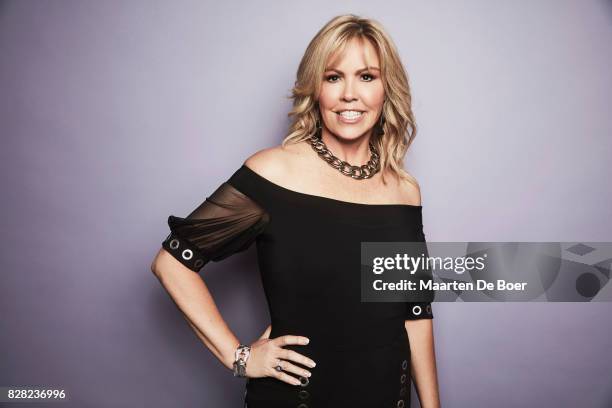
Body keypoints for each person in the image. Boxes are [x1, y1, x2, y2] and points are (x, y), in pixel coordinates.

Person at [151, 14, 440, 408]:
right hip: (297, 399)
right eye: (333, 77)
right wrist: (240, 357)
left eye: (367, 77)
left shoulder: (405, 191)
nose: (349, 94)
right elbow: (172, 263)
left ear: (387, 89)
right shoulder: (273, 172)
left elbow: (415, 311)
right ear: (315, 88)